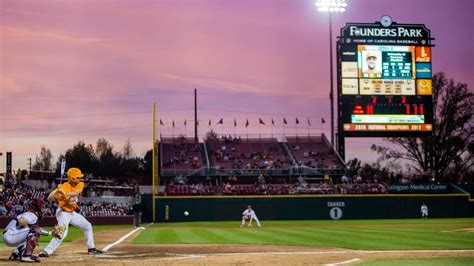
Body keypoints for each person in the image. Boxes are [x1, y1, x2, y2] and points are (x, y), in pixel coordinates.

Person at [39, 167, 103, 257]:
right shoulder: (63, 186)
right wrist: (57, 190)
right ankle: (46, 251)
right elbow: (49, 198)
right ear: (72, 178)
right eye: (77, 177)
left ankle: (91, 248)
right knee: (62, 233)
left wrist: (64, 192)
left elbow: (76, 192)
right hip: (63, 213)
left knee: (88, 226)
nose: (80, 178)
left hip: (72, 213)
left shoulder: (80, 184)